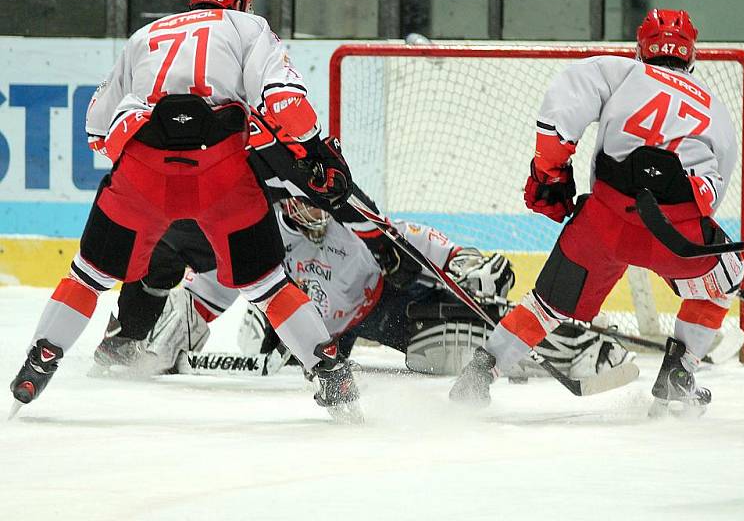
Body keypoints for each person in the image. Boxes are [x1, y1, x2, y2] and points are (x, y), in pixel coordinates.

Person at [10, 0, 362, 423]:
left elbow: (97, 127)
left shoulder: (145, 36)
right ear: (238, 1)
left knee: (88, 276)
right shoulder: (248, 27)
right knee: (268, 286)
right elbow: (284, 101)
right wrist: (314, 149)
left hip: (142, 175)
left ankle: (40, 361)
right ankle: (330, 373)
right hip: (222, 175)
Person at [449, 9, 744, 416]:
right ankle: (681, 372)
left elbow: (558, 119)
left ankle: (481, 371)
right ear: (692, 55)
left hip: (604, 222)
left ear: (641, 48)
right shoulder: (716, 109)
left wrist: (550, 172)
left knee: (546, 305)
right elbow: (712, 193)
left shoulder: (621, 71)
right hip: (674, 233)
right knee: (725, 280)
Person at [92, 192, 631, 381]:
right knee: (256, 339)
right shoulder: (259, 241)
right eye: (295, 203)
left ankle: (566, 348)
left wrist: (472, 265)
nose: (308, 213)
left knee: (443, 352)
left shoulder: (356, 221)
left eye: (313, 202)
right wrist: (165, 346)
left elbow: (430, 246)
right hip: (327, 333)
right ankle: (150, 339)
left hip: (393, 311)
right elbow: (211, 291)